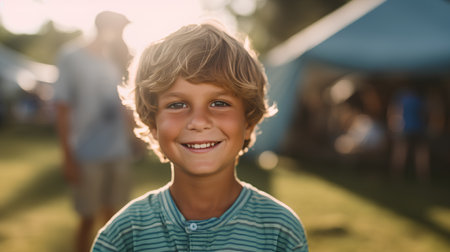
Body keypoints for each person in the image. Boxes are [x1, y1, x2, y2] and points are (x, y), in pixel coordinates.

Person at [92, 22, 308, 251]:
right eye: (177, 104)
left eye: (219, 103)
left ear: (248, 121)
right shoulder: (124, 234)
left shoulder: (280, 230)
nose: (199, 121)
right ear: (153, 124)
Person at [54, 11, 134, 252]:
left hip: (118, 150)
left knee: (115, 218)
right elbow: (62, 107)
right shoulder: (72, 56)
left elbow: (124, 102)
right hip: (87, 151)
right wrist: (68, 156)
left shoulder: (117, 58)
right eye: (120, 27)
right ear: (105, 27)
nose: (122, 33)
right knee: (88, 218)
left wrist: (134, 135)